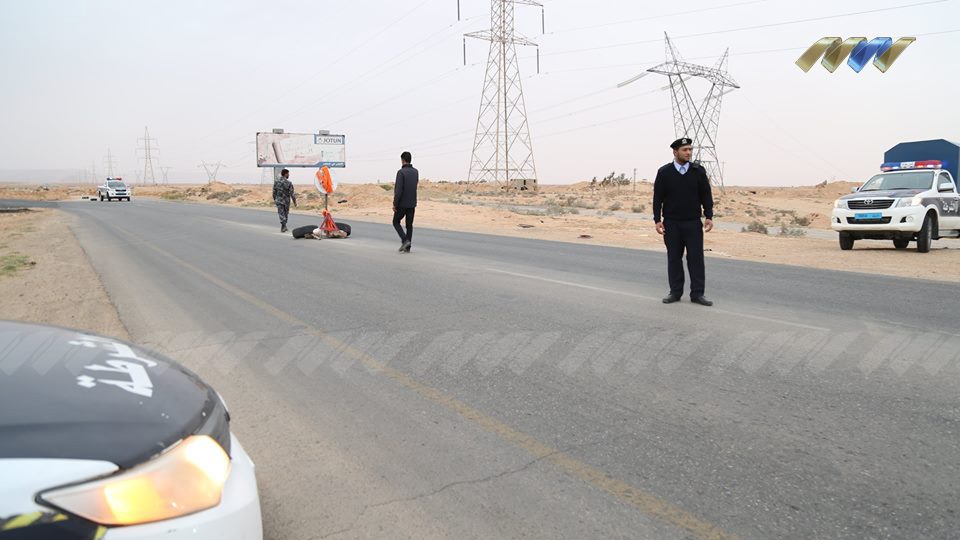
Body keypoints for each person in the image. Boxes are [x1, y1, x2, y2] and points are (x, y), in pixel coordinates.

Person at [652, 137, 715, 306]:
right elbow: (657, 198)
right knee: (674, 258)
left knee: (696, 259)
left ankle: (698, 294)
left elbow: (706, 195)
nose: (688, 153)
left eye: (690, 149)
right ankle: (675, 292)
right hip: (671, 224)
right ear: (675, 152)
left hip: (693, 223)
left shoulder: (698, 171)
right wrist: (657, 220)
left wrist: (709, 216)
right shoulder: (664, 172)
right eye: (685, 150)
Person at [393, 151, 418, 253]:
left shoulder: (401, 172)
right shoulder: (416, 172)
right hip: (412, 203)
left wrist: (395, 204)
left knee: (395, 222)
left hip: (402, 204)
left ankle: (405, 240)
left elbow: (398, 191)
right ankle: (408, 248)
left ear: (402, 160)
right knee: (409, 225)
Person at [273, 169, 297, 233]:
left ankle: (283, 226)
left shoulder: (276, 182)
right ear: (285, 174)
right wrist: (294, 202)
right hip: (286, 201)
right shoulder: (289, 183)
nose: (289, 175)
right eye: (288, 173)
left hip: (279, 200)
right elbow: (292, 193)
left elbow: (274, 192)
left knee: (281, 213)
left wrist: (275, 199)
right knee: (285, 213)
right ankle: (283, 226)